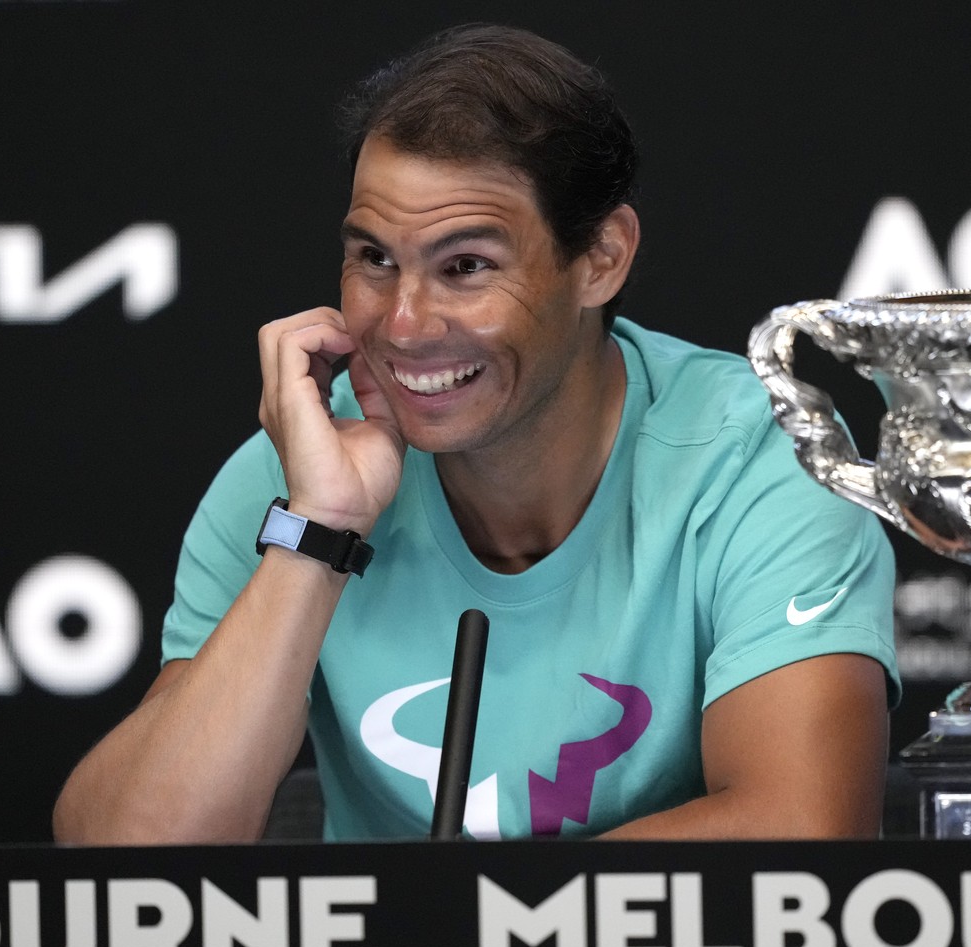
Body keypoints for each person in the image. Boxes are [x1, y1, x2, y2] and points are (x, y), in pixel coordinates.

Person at [52, 23, 898, 844]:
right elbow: (129, 863)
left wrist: (462, 939)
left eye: (467, 267)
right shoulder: (296, 475)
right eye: (375, 260)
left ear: (601, 258)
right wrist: (317, 535)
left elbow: (805, 827)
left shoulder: (758, 457)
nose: (406, 326)